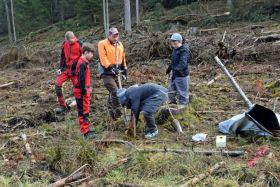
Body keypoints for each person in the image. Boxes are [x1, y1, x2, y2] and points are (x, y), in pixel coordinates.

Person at [98, 27, 128, 119]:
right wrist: (111, 67)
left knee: (115, 92)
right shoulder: (102, 44)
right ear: (109, 36)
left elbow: (123, 57)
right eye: (113, 36)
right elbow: (103, 59)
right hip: (106, 72)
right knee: (115, 92)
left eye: (117, 36)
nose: (115, 38)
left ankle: (111, 113)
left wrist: (125, 69)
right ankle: (118, 113)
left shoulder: (120, 44)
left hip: (117, 71)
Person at [55, 31, 83, 114]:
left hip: (76, 71)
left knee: (78, 89)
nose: (73, 40)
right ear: (67, 40)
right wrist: (60, 68)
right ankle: (62, 106)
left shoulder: (80, 44)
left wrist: (80, 69)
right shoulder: (65, 44)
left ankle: (80, 105)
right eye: (71, 39)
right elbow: (63, 57)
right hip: (66, 70)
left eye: (74, 38)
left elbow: (83, 58)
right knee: (57, 85)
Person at [73, 43, 95, 139]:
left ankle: (87, 128)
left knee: (85, 110)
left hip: (84, 90)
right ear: (85, 52)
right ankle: (85, 133)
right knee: (83, 111)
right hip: (81, 92)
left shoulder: (84, 62)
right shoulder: (82, 63)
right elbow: (81, 79)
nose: (92, 55)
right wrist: (84, 91)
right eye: (91, 53)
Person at [166, 33, 190, 106]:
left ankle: (183, 106)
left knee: (182, 92)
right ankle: (172, 104)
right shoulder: (175, 49)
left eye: (175, 43)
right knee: (171, 90)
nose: (173, 45)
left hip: (182, 75)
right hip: (175, 74)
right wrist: (169, 68)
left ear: (180, 42)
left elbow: (183, 64)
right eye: (172, 43)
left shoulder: (184, 50)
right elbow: (173, 61)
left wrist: (175, 69)